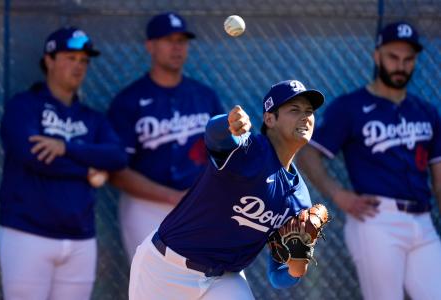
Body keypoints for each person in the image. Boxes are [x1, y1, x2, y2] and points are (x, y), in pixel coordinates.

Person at [128, 79, 325, 299]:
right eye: (294, 110)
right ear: (269, 118)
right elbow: (215, 137)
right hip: (164, 269)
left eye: (309, 111)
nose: (305, 117)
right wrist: (228, 124)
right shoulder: (249, 150)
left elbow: (278, 277)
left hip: (224, 280)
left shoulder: (299, 199)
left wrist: (298, 264)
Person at [297, 22, 441, 300]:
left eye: (408, 59)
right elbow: (308, 153)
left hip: (423, 222)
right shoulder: (351, 107)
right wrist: (339, 195)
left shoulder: (426, 111)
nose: (400, 65)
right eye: (393, 56)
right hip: (377, 220)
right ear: (377, 56)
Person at [0, 27, 127, 300]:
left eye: (84, 61)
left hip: (80, 237)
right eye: (70, 57)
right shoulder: (24, 106)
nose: (78, 66)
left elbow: (117, 157)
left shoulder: (92, 118)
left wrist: (66, 147)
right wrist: (87, 169)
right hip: (27, 233)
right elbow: (34, 157)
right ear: (49, 60)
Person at [107, 12, 224, 260]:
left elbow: (224, 154)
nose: (177, 47)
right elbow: (117, 171)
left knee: (209, 283)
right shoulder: (128, 101)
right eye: (168, 40)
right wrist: (172, 197)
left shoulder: (204, 96)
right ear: (150, 46)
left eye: (182, 40)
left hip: (197, 205)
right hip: (145, 206)